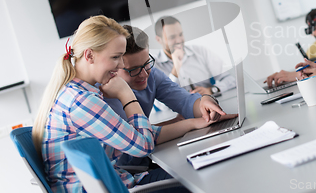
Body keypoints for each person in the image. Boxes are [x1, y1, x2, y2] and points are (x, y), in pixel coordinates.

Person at [32, 15, 226, 192]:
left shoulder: (80, 92)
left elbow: (138, 135)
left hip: (119, 181)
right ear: (89, 55)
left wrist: (194, 123)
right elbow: (143, 145)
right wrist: (126, 94)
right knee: (201, 176)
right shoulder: (82, 101)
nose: (121, 65)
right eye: (116, 57)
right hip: (116, 186)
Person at [104, 25, 236, 168]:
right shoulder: (104, 95)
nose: (144, 74)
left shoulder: (152, 74)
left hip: (145, 162)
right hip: (125, 172)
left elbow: (185, 102)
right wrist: (188, 124)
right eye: (133, 70)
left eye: (146, 63)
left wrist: (204, 102)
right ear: (113, 68)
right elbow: (137, 138)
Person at [154, 16, 236, 95]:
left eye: (180, 35)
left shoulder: (200, 52)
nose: (179, 40)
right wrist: (176, 69)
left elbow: (232, 78)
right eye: (172, 37)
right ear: (159, 40)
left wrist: (211, 90)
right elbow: (160, 102)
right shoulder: (153, 66)